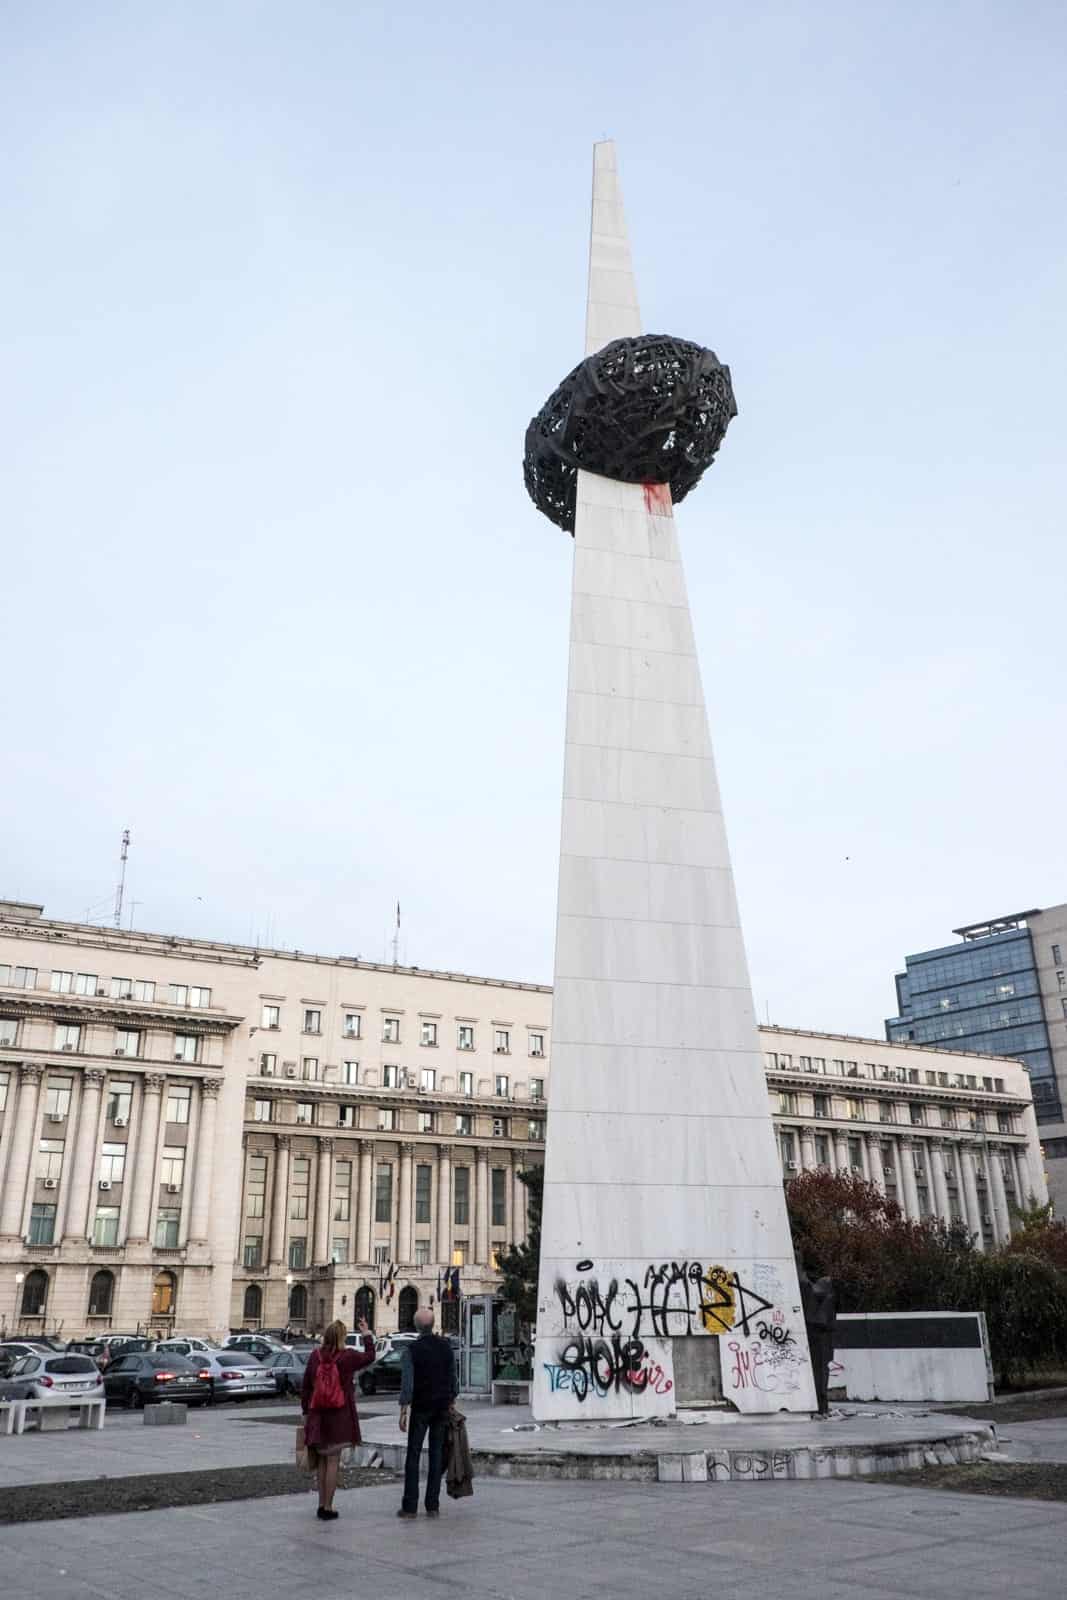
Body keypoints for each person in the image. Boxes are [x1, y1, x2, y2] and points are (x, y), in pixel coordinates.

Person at [301, 1317, 375, 1520]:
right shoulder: (347, 1356)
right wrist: (366, 1333)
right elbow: (370, 1356)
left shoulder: (315, 1356)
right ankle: (328, 1506)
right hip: (339, 1414)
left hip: (317, 1413)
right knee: (333, 1461)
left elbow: (306, 1386)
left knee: (322, 1462)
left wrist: (305, 1413)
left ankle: (320, 1504)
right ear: (342, 1337)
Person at [397, 1309, 458, 1519]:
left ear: (416, 1327)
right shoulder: (446, 1347)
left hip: (421, 1408)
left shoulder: (411, 1350)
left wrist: (403, 1410)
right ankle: (432, 1505)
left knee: (413, 1454)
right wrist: (451, 1400)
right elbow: (453, 1378)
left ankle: (410, 1506)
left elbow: (408, 1384)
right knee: (436, 1454)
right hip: (441, 1406)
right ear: (433, 1325)